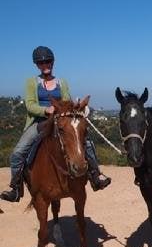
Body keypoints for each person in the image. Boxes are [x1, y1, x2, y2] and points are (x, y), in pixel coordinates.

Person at [0, 46, 111, 202]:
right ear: (37, 64)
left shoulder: (61, 82)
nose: (46, 64)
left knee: (86, 143)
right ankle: (16, 187)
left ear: (52, 62)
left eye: (48, 61)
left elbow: (65, 101)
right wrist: (46, 110)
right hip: (39, 122)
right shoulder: (31, 82)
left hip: (61, 120)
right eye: (42, 62)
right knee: (18, 152)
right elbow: (30, 105)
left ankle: (95, 175)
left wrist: (75, 106)